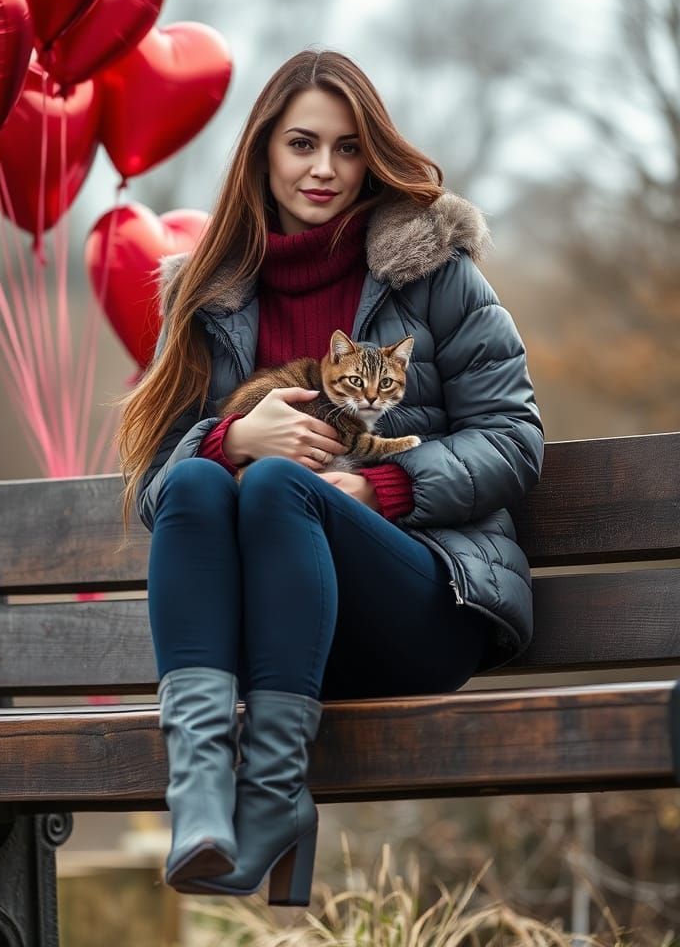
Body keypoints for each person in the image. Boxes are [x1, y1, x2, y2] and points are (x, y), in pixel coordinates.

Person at [117, 48, 544, 907]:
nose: (324, 169)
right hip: (268, 642)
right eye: (302, 144)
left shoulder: (435, 274)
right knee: (201, 481)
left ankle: (273, 794)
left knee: (286, 489)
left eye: (348, 148)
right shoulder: (206, 295)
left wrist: (384, 491)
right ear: (263, 152)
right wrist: (232, 440)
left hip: (418, 607)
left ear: (370, 155)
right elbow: (158, 491)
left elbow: (513, 438)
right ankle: (200, 794)